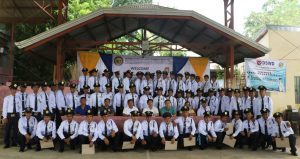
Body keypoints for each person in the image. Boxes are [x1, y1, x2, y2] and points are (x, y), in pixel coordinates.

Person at [2, 83, 22, 148]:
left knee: (16, 129)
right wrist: (4, 117)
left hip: (16, 115)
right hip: (9, 115)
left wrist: (21, 116)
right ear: (10, 90)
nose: (14, 91)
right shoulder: (7, 98)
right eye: (13, 89)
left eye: (15, 89)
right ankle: (6, 143)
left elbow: (20, 108)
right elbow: (4, 108)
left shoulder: (18, 98)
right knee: (8, 129)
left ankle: (14, 142)